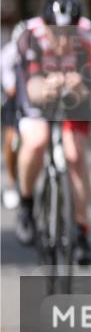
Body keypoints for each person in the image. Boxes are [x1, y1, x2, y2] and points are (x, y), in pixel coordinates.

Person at [14, 0, 91, 265]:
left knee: (75, 154)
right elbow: (30, 87)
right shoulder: (30, 36)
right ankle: (26, 205)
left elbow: (90, 90)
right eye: (56, 33)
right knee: (36, 141)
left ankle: (81, 232)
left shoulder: (88, 40)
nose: (63, 41)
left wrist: (78, 87)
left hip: (73, 100)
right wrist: (46, 87)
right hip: (36, 92)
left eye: (68, 33)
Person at [1, 22, 26, 210]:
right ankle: (11, 181)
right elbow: (8, 82)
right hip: (15, 101)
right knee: (11, 141)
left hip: (37, 102)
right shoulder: (10, 52)